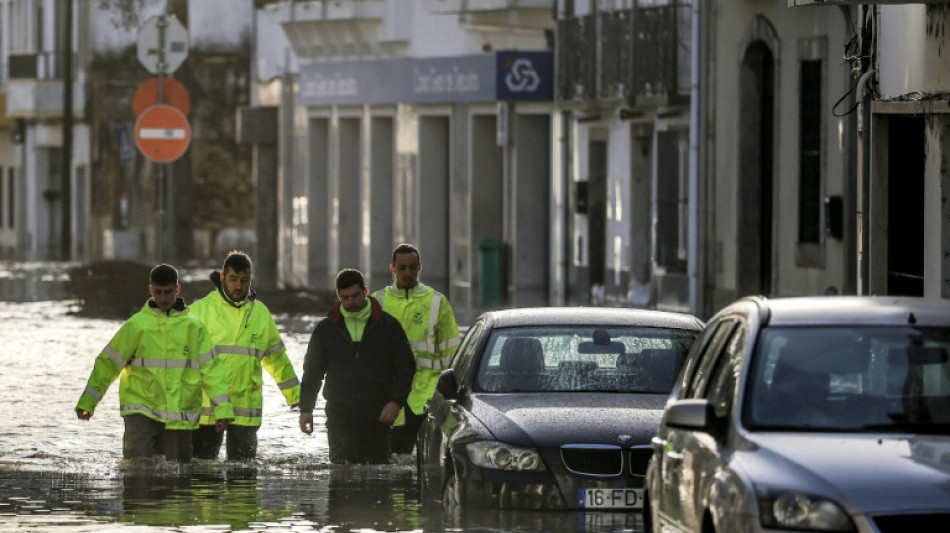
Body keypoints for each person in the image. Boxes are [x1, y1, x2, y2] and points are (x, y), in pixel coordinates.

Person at [75, 264, 234, 462]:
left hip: (179, 415)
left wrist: (223, 408)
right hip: (141, 410)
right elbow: (108, 363)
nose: (164, 298)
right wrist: (88, 402)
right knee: (137, 472)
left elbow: (213, 371)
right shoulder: (137, 325)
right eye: (158, 292)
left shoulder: (195, 328)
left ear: (177, 289)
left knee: (179, 479)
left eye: (168, 292)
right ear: (151, 290)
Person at [189, 250, 300, 460]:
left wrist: (294, 395)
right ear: (222, 278)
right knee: (202, 478)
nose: (239, 286)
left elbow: (276, 358)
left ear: (251, 280)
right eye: (233, 280)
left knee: (243, 477)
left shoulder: (260, 313)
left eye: (244, 280)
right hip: (206, 407)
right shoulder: (199, 311)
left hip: (245, 408)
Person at [299, 268, 415, 464]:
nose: (350, 302)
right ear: (338, 296)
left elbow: (406, 367)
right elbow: (312, 373)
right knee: (342, 472)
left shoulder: (388, 326)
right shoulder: (326, 330)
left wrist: (396, 401)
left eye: (355, 296)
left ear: (365, 291)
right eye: (344, 298)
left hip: (378, 414)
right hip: (340, 413)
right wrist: (306, 409)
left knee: (377, 474)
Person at [372, 243, 461, 461]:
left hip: (426, 393)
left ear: (419, 267)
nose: (408, 273)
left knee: (424, 460)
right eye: (402, 268)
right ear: (392, 269)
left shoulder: (437, 302)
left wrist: (456, 389)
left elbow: (452, 351)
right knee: (391, 457)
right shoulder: (377, 301)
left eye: (412, 267)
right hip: (388, 393)